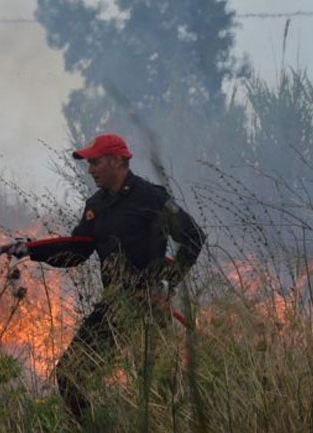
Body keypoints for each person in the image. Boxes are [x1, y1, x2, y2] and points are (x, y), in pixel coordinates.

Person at [13, 133, 205, 423]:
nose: (90, 169)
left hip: (150, 308)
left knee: (162, 390)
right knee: (69, 375)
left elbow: (193, 238)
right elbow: (76, 251)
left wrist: (166, 282)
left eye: (95, 162)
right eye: (88, 163)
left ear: (117, 161)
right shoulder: (96, 205)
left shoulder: (152, 197)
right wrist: (30, 250)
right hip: (114, 306)